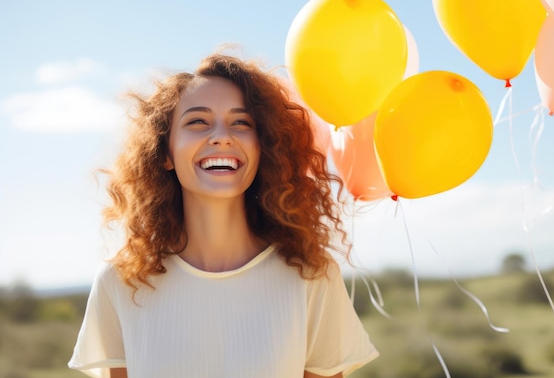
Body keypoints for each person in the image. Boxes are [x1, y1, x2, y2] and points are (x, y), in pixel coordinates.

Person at [68, 51, 378, 378]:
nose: (221, 136)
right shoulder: (120, 282)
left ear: (263, 148)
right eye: (198, 121)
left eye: (241, 122)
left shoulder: (311, 277)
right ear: (165, 153)